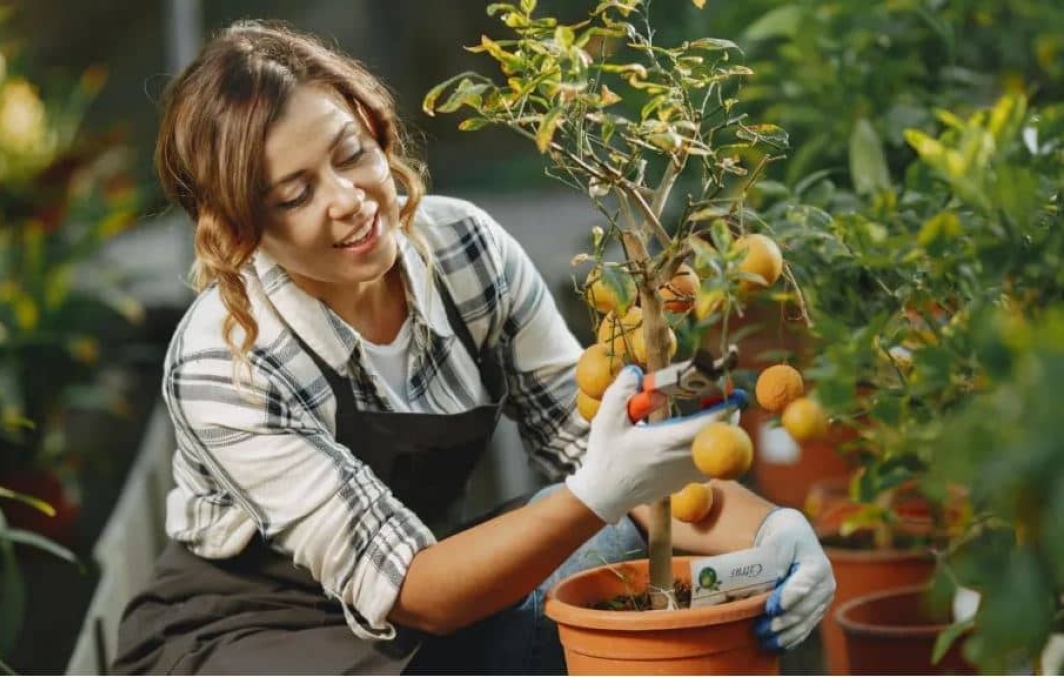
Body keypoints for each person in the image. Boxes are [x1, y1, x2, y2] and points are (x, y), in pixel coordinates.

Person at [113, 19, 835, 675]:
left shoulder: (463, 252)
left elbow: (609, 455)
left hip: (423, 612)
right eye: (295, 194)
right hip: (251, 640)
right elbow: (417, 591)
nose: (349, 198)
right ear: (242, 228)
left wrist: (774, 533)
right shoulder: (227, 358)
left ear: (375, 127)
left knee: (635, 554)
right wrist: (600, 491)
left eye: (350, 153)